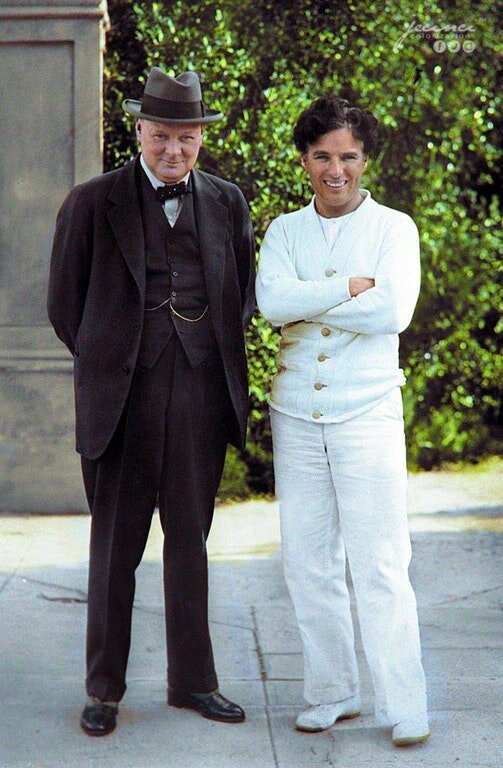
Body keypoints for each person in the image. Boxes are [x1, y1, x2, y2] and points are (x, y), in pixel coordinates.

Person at [47, 67, 255, 736]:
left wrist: (196, 355)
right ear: (139, 131)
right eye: (162, 135)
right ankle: (104, 690)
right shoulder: (92, 202)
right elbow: (64, 306)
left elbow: (240, 293)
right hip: (121, 400)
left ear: (201, 139)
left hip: (199, 395)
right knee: (115, 551)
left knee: (190, 543)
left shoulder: (227, 203)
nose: (174, 149)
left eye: (186, 137)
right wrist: (115, 358)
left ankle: (193, 683)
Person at [256, 95, 429, 746]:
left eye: (348, 156)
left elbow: (393, 313)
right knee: (308, 563)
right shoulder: (283, 231)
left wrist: (309, 302)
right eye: (322, 156)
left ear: (365, 160)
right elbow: (272, 303)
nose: (336, 170)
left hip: (367, 410)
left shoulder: (394, 229)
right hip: (296, 411)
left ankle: (404, 702)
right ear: (304, 160)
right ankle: (332, 691)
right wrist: (347, 287)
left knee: (381, 561)